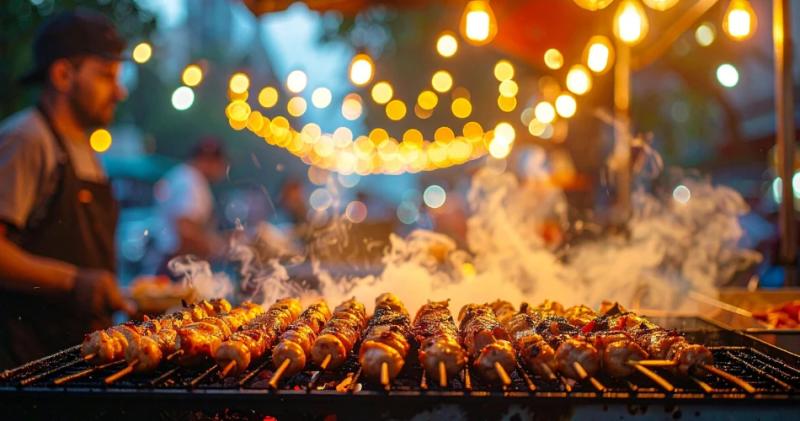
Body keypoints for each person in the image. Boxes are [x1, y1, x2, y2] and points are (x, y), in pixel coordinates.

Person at [0, 10, 133, 369]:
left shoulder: (85, 148)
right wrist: (77, 281)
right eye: (106, 76)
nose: (118, 91)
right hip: (32, 366)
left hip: (81, 359)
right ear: (62, 74)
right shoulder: (27, 139)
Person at [151, 138, 228, 275]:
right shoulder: (191, 181)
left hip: (172, 262)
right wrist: (218, 248)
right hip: (178, 266)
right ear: (208, 161)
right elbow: (186, 230)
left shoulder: (182, 175)